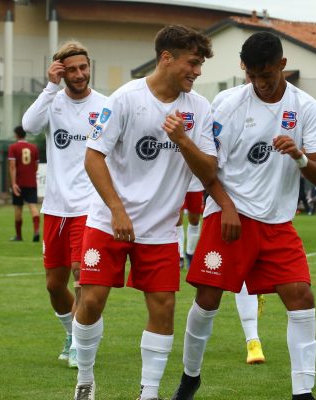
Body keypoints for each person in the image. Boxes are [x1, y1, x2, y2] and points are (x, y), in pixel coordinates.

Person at [172, 31, 316, 400]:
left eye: (267, 74)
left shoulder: (305, 107)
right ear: (244, 69)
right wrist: (226, 207)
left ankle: (303, 392)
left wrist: (299, 155)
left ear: (282, 66)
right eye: (252, 74)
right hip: (230, 216)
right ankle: (189, 378)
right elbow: (207, 168)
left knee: (301, 297)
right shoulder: (226, 104)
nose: (260, 82)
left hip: (276, 223)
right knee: (207, 300)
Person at [73, 25, 218, 400]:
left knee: (164, 306)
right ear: (166, 58)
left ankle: (148, 393)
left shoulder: (199, 109)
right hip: (109, 222)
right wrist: (117, 209)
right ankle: (85, 379)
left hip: (160, 230)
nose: (197, 72)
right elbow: (93, 158)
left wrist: (182, 140)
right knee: (91, 299)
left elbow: (209, 171)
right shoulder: (124, 98)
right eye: (193, 63)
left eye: (200, 65)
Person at [22, 40, 107, 368]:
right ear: (61, 71)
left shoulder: (105, 105)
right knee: (54, 285)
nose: (79, 74)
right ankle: (72, 332)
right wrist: (49, 86)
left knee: (81, 276)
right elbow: (29, 126)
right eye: (71, 69)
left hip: (90, 207)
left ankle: (81, 346)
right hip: (55, 208)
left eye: (83, 68)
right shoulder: (52, 103)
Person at [211, 79, 266, 365]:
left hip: (264, 206)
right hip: (227, 200)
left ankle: (252, 340)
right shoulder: (225, 101)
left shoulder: (286, 105)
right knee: (211, 286)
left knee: (247, 274)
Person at [7, 125, 40, 242]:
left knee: (18, 209)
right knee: (33, 207)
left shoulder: (13, 147)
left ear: (16, 135)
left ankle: (19, 236)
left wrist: (14, 183)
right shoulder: (34, 148)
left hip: (19, 183)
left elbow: (12, 166)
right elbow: (36, 167)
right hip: (31, 183)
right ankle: (36, 231)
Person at [177, 176, 205, 269]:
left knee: (194, 221)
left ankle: (190, 253)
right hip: (176, 182)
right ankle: (179, 256)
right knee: (177, 220)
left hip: (195, 183)